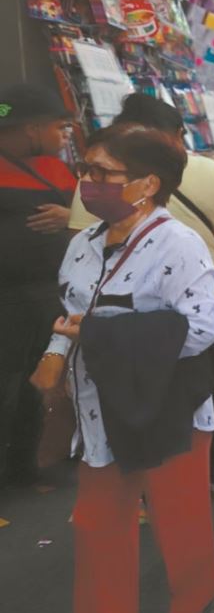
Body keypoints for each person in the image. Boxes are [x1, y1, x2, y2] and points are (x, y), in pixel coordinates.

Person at [30, 124, 214, 613]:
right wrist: (56, 354)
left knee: (180, 525)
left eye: (102, 173)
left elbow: (200, 329)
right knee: (99, 525)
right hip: (98, 408)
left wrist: (99, 336)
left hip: (164, 406)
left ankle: (194, 604)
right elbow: (73, 309)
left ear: (148, 184)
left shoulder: (179, 245)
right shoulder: (83, 243)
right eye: (85, 169)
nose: (88, 182)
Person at [68, 93, 214, 501]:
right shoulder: (208, 170)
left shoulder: (105, 182)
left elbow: (80, 248)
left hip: (126, 310)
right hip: (211, 293)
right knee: (213, 386)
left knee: (139, 393)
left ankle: (149, 490)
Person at [0, 82, 76, 487]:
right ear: (31, 128)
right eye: (58, 127)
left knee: (39, 381)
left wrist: (70, 216)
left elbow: (106, 214)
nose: (64, 136)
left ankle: (23, 466)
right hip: (6, 298)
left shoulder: (59, 169)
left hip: (50, 293)